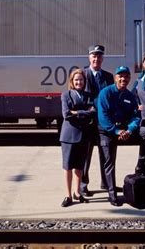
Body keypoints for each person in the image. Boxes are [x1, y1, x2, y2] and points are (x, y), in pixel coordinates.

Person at [97, 66, 141, 207]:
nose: (123, 79)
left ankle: (142, 173)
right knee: (109, 161)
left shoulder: (129, 96)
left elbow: (135, 116)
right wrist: (116, 131)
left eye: (126, 76)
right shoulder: (106, 92)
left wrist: (129, 130)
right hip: (107, 131)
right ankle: (112, 194)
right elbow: (103, 116)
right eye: (120, 76)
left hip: (123, 131)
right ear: (115, 78)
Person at [81, 45, 114, 197]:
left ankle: (106, 183)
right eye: (93, 56)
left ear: (102, 58)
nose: (96, 59)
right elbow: (77, 96)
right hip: (88, 122)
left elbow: (111, 97)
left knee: (105, 153)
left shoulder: (108, 76)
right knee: (85, 154)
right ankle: (83, 185)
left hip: (104, 122)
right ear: (89, 57)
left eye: (99, 56)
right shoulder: (83, 74)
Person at [59, 69, 96, 207]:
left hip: (84, 136)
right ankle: (68, 196)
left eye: (81, 80)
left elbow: (93, 113)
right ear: (72, 82)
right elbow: (66, 115)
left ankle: (77, 192)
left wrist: (77, 112)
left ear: (84, 81)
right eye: (76, 80)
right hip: (68, 136)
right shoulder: (66, 95)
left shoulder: (88, 95)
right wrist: (84, 112)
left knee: (80, 167)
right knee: (68, 166)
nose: (79, 82)